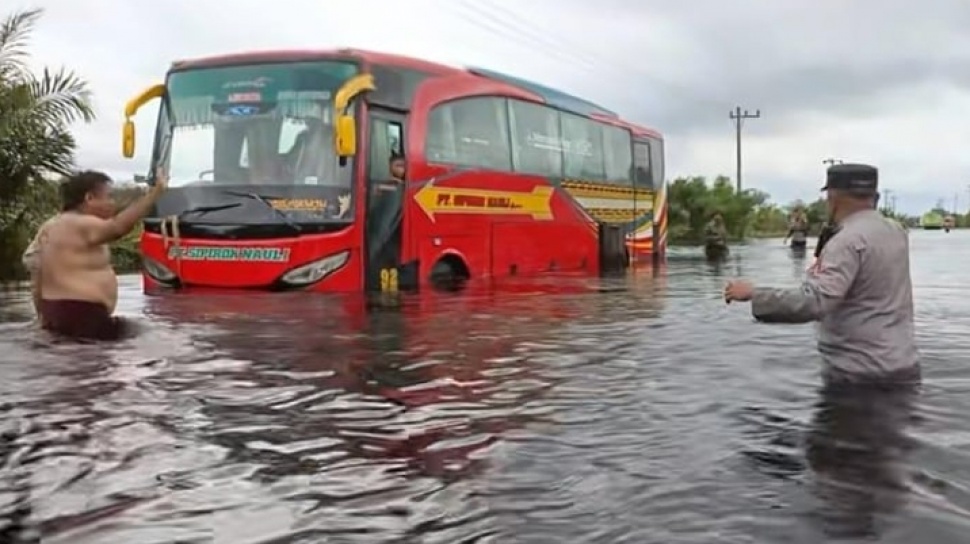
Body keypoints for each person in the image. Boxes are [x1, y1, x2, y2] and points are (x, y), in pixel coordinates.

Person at [723, 163, 919, 382]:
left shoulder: (847, 240)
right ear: (874, 195)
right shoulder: (896, 230)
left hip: (860, 375)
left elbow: (817, 300)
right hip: (903, 365)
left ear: (834, 197)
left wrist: (755, 293)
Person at [25, 169, 168, 341]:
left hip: (64, 315)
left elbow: (38, 273)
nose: (112, 203)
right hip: (80, 316)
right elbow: (118, 227)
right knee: (158, 339)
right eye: (108, 196)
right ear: (89, 198)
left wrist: (43, 315)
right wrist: (156, 192)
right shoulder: (79, 223)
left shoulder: (56, 226)